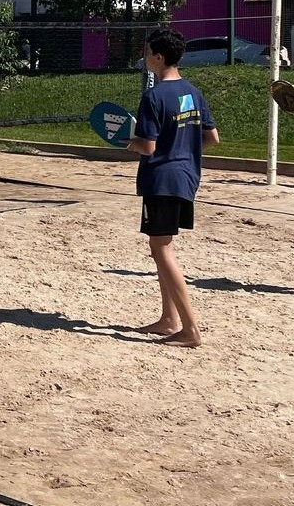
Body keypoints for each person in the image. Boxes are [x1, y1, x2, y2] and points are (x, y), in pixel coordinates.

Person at [126, 28, 220, 349]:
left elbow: (148, 146)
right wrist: (182, 149)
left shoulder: (153, 96)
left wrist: (129, 142)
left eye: (146, 52)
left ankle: (190, 329)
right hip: (186, 177)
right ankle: (169, 319)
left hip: (161, 180)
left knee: (161, 250)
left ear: (158, 57)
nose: (144, 57)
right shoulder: (193, 91)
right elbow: (212, 138)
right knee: (163, 246)